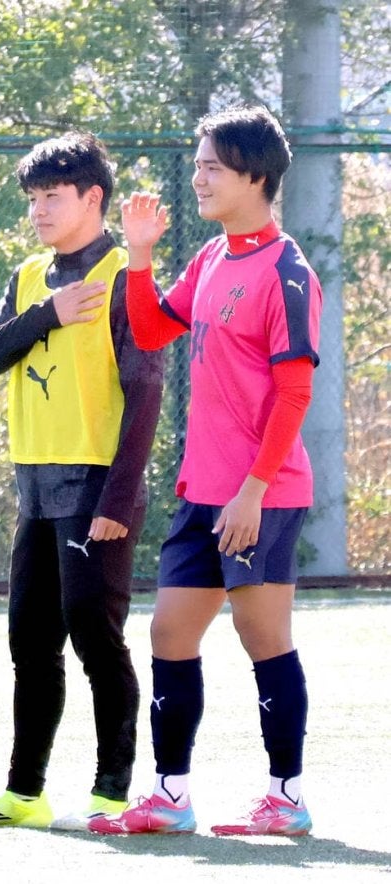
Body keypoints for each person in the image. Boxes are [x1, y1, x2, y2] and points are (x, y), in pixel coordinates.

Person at [89, 105, 322, 837]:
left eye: (212, 166)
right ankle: (171, 795)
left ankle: (286, 798)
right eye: (197, 165)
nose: (199, 178)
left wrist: (253, 490)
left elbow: (294, 392)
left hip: (264, 493)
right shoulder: (213, 257)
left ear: (256, 175)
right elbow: (155, 327)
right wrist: (138, 256)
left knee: (263, 639)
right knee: (168, 633)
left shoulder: (287, 271)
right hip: (204, 491)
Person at [0, 132, 164, 831]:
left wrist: (120, 500)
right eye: (33, 198)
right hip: (34, 490)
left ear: (92, 198)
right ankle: (24, 794)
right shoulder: (31, 275)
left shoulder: (130, 276)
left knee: (95, 638)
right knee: (29, 645)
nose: (39, 210)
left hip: (96, 486)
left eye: (52, 197)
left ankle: (111, 796)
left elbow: (147, 392)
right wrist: (47, 316)